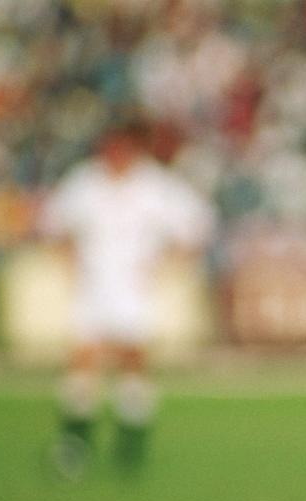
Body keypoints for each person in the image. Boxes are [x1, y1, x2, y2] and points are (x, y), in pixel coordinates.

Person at [40, 118, 214, 479]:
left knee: (131, 359)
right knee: (83, 359)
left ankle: (130, 441)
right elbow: (53, 221)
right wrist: (67, 254)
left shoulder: (153, 186)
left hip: (132, 289)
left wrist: (168, 260)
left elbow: (196, 223)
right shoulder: (86, 181)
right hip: (93, 286)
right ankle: (75, 443)